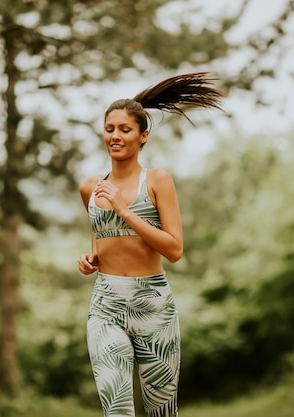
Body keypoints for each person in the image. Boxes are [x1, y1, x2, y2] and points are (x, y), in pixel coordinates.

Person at [78, 72, 224, 417]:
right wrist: (89, 260)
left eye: (124, 130)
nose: (115, 136)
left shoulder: (157, 180)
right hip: (106, 306)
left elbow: (174, 249)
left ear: (143, 135)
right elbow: (100, 242)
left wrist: (124, 209)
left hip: (154, 306)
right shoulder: (90, 188)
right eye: (109, 129)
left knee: (162, 413)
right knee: (117, 410)